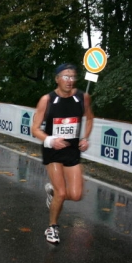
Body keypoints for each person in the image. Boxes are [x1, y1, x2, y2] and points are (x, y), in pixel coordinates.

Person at [31, 63, 94, 244]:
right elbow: (35, 129)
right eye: (65, 76)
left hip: (72, 150)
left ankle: (51, 191)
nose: (70, 80)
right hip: (53, 150)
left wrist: (85, 137)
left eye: (73, 76)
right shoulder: (47, 100)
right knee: (61, 192)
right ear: (57, 78)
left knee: (75, 195)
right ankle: (52, 227)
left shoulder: (83, 97)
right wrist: (51, 140)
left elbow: (89, 118)